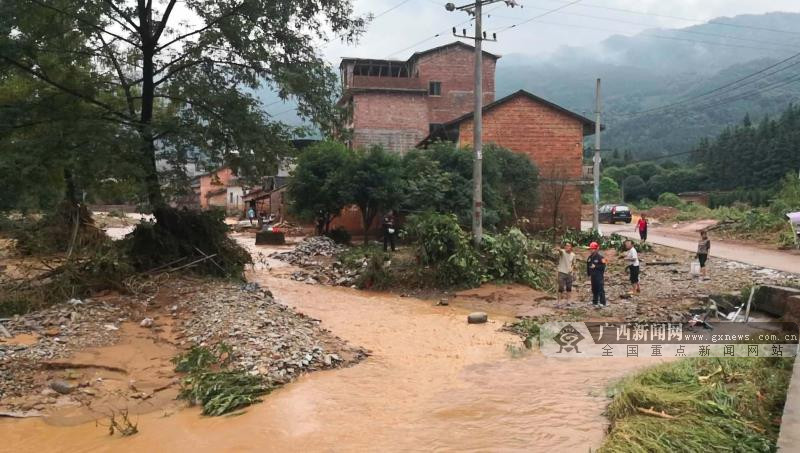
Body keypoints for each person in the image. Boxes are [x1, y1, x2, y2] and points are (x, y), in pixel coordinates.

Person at [586, 241, 608, 307]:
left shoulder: (601, 257)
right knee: (594, 289)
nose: (591, 250)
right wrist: (588, 274)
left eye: (592, 249)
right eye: (591, 249)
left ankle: (602, 302)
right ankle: (595, 302)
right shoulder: (589, 258)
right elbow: (588, 266)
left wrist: (596, 266)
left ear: (596, 249)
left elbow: (604, 267)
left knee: (600, 289)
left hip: (599, 276)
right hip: (593, 276)